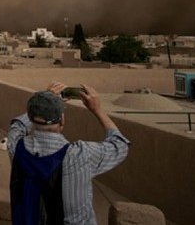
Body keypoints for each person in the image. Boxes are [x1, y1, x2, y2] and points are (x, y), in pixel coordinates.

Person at [7, 82, 130, 225]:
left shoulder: (16, 147)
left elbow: (18, 125)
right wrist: (97, 109)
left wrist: (42, 102)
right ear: (62, 120)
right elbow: (120, 145)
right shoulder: (79, 155)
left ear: (30, 117)